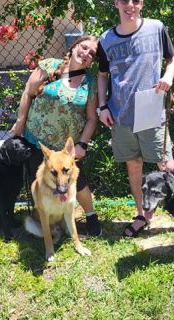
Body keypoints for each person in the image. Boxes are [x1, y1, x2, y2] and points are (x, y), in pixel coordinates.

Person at [97, 0, 174, 241]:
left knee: (167, 166)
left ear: (142, 3)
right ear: (116, 2)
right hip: (120, 114)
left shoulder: (157, 28)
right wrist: (102, 106)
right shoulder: (106, 39)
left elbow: (173, 58)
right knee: (134, 167)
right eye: (125, 0)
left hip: (150, 111)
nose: (130, 5)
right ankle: (142, 215)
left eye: (135, 0)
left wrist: (169, 76)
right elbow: (102, 75)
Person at [10, 35, 102, 237]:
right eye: (83, 47)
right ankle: (50, 222)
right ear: (74, 46)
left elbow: (91, 119)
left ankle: (92, 217)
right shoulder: (50, 65)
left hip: (64, 150)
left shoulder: (90, 83)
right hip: (36, 141)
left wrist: (82, 145)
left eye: (91, 53)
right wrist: (19, 122)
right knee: (44, 184)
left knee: (79, 183)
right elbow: (28, 92)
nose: (85, 53)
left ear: (93, 60)